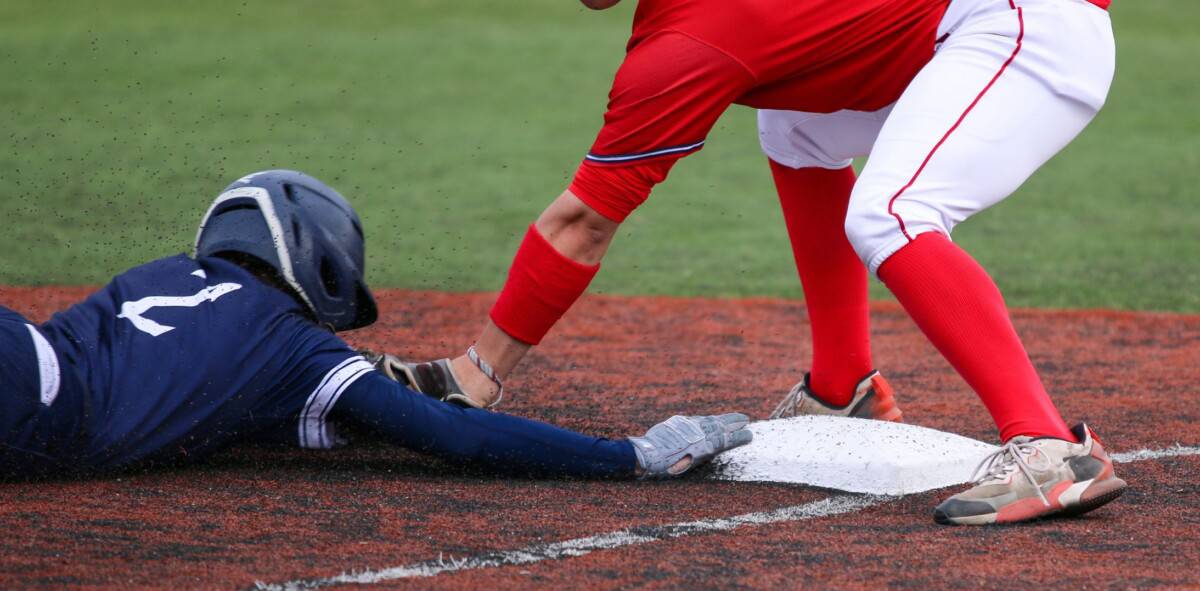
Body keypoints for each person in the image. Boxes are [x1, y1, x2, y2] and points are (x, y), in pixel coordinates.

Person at [394, 0, 1126, 524]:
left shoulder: (690, 42)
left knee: (893, 212)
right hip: (953, 28)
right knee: (798, 127)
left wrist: (474, 374)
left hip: (1026, 26)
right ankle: (844, 387)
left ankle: (1048, 448)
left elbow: (583, 221)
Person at [0, 170, 751, 481]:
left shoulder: (159, 275)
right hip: (35, 402)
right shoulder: (291, 344)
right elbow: (457, 433)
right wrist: (630, 455)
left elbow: (203, 396)